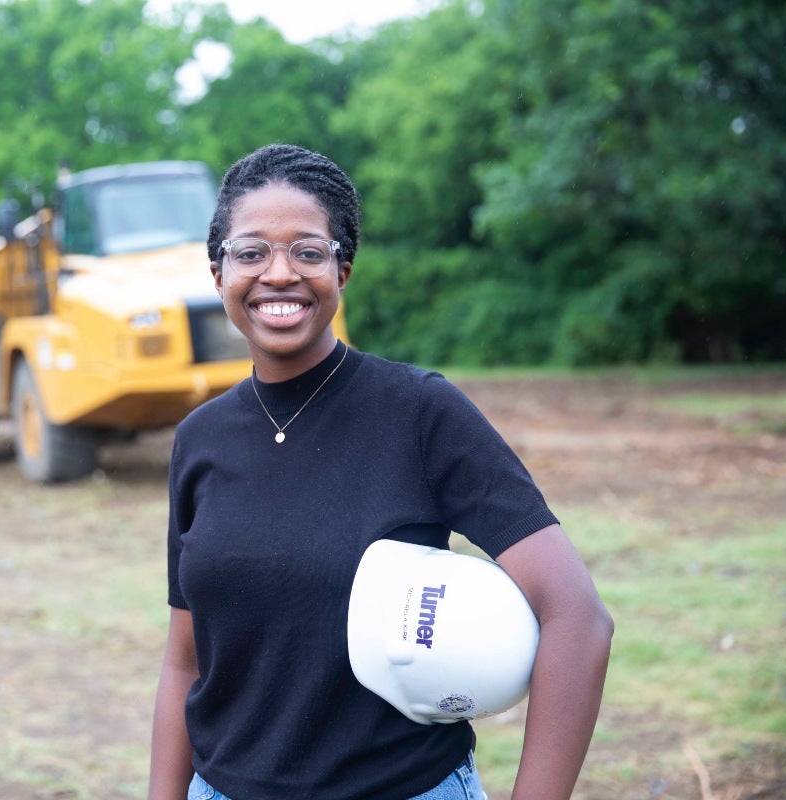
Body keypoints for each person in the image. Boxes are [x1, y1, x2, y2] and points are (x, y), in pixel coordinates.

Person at [148, 143, 614, 800]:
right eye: (251, 252)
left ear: (343, 269)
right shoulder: (200, 440)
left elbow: (576, 614)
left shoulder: (419, 413)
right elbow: (185, 661)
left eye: (308, 251)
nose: (278, 273)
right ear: (218, 271)